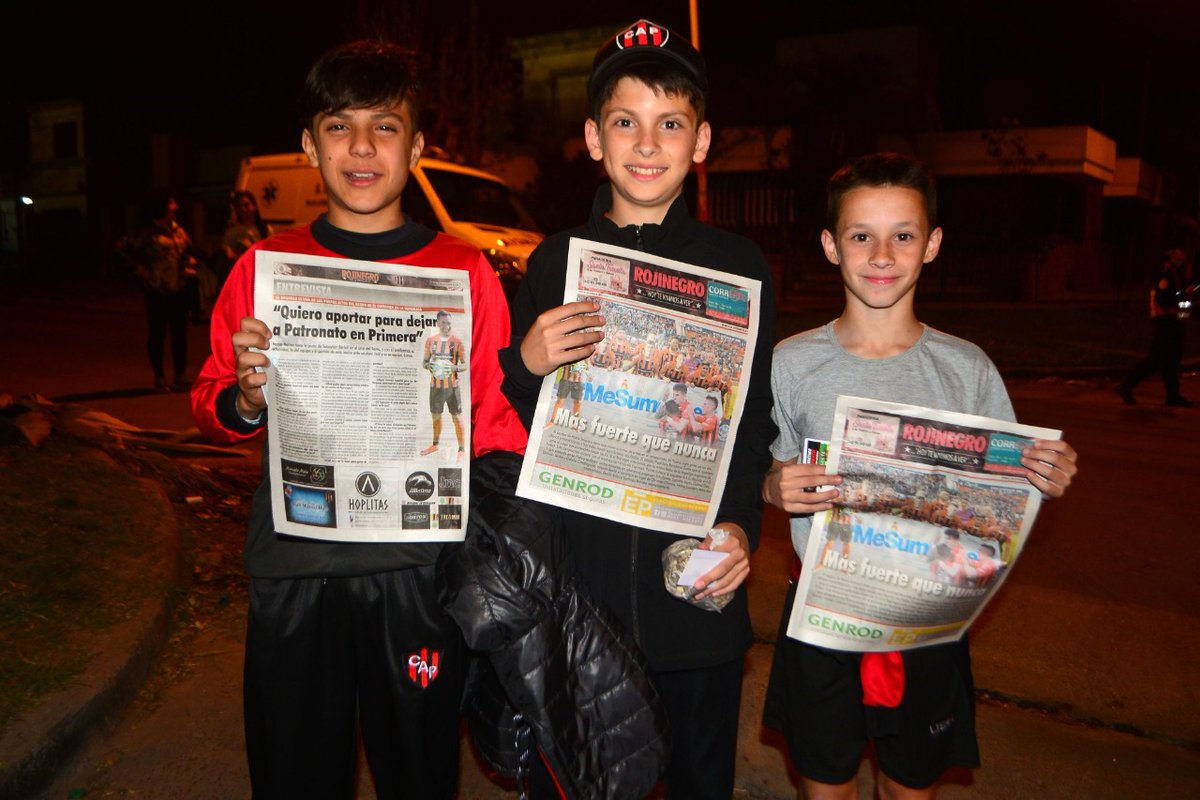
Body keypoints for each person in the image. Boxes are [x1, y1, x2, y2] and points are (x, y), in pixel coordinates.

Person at [189, 40, 527, 799]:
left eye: (385, 126)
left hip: (415, 572)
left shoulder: (463, 271)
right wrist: (245, 399)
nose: (363, 147)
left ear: (416, 144)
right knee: (294, 770)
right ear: (310, 146)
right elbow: (212, 401)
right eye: (339, 127)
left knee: (418, 768)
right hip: (294, 564)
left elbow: (495, 419)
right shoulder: (264, 270)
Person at [498, 18, 777, 798]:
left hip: (693, 605)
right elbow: (507, 428)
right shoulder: (555, 260)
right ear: (593, 138)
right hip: (581, 607)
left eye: (671, 123)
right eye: (625, 122)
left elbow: (751, 425)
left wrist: (739, 530)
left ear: (703, 140)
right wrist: (525, 365)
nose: (647, 143)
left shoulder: (740, 266)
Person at [761, 152, 1079, 800]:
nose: (882, 254)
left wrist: (1044, 475)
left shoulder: (968, 370)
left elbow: (1000, 498)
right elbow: (771, 465)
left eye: (902, 235)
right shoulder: (791, 362)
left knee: (911, 788)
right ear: (830, 245)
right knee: (827, 787)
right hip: (822, 616)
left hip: (926, 620)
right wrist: (773, 487)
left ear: (931, 245)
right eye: (861, 235)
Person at [117, 190, 197, 392]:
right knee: (158, 334)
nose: (175, 206)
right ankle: (160, 377)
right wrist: (141, 271)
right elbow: (121, 249)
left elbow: (189, 250)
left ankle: (180, 375)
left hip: (179, 288)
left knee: (179, 334)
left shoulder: (179, 231)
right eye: (171, 203)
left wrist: (189, 262)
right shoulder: (147, 233)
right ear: (161, 206)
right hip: (157, 290)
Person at [1117, 245, 1195, 407]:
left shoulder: (1177, 273)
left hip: (1176, 321)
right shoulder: (1165, 273)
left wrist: (1189, 292)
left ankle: (1172, 395)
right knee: (1156, 358)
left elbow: (1184, 291)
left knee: (1172, 360)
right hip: (1165, 321)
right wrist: (1183, 294)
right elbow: (1164, 298)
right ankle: (1126, 386)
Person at [421, 309, 467, 459]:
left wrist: (453, 368)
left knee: (457, 417)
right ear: (438, 323)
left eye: (449, 322)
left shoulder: (457, 342)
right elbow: (424, 363)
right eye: (443, 323)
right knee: (436, 416)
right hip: (436, 387)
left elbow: (465, 365)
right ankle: (435, 445)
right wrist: (430, 366)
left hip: (453, 388)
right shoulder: (431, 341)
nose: (446, 325)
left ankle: (461, 449)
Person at [215, 190, 273, 292]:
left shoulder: (266, 229)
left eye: (246, 205)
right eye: (239, 206)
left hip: (262, 278)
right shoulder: (232, 232)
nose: (243, 209)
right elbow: (226, 251)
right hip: (242, 279)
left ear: (254, 206)